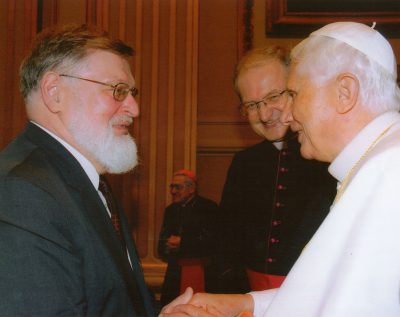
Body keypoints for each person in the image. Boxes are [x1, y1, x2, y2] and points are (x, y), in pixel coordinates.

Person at [160, 21, 400, 316]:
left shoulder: (389, 173)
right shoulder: (375, 163)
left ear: (345, 92)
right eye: (251, 105)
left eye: (293, 94)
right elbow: (323, 290)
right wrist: (245, 303)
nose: (289, 114)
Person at [0, 25, 157, 316]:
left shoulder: (84, 179)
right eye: (118, 91)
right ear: (54, 92)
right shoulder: (21, 190)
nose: (134, 109)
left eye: (132, 92)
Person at [215, 45, 336, 293]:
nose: (264, 113)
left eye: (273, 97)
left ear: (296, 90)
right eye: (251, 105)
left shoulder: (329, 157)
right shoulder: (243, 164)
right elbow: (226, 246)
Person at [158, 170, 219, 306]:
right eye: (171, 186)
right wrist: (166, 245)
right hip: (176, 272)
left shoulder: (208, 207)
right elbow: (161, 242)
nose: (173, 191)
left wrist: (183, 243)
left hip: (202, 271)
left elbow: (215, 242)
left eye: (178, 187)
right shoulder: (171, 210)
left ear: (191, 189)